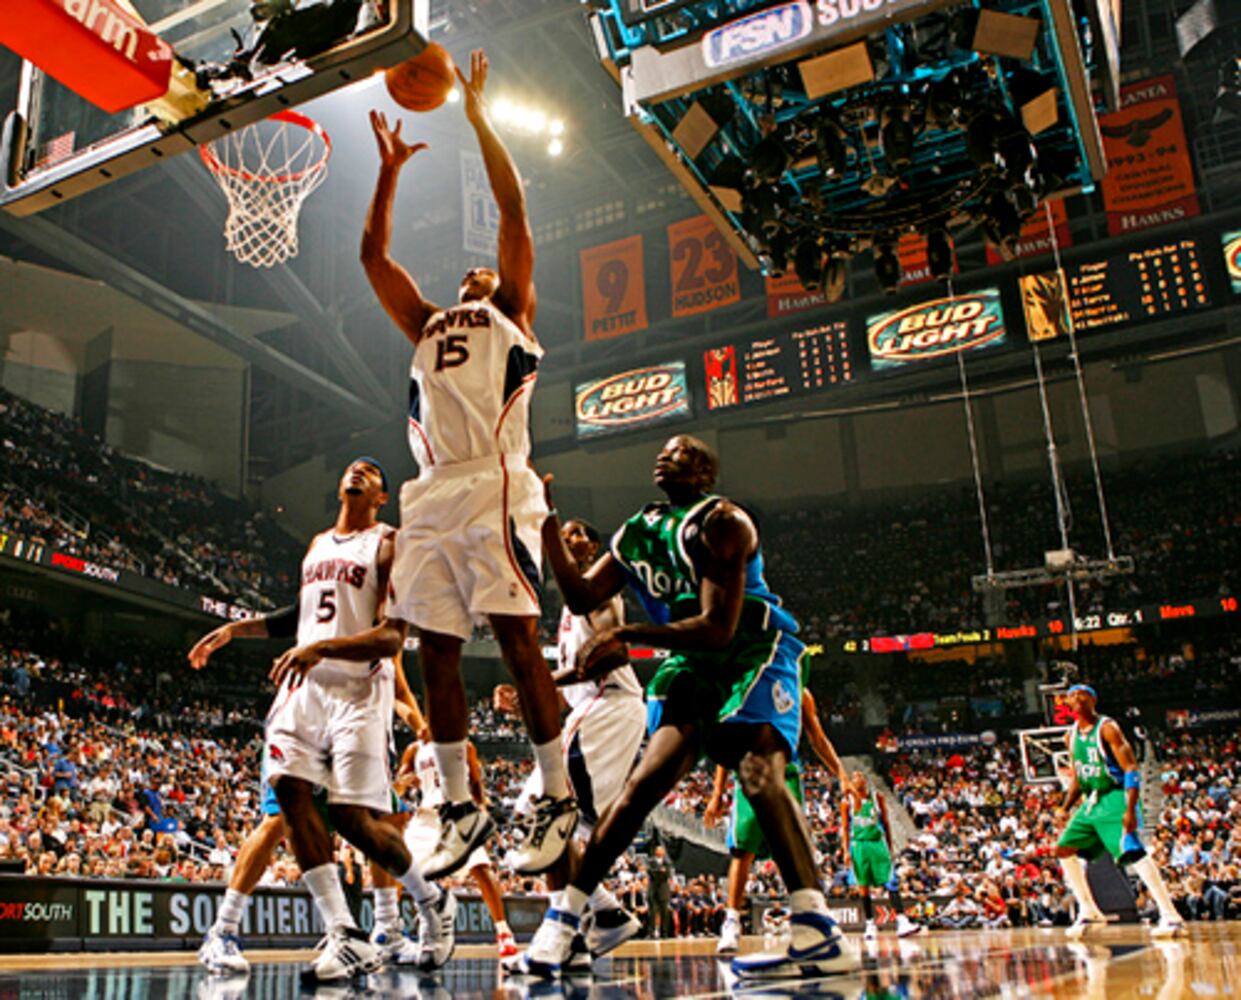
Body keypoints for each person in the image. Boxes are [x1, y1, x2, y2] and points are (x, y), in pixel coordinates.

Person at [509, 435, 860, 980]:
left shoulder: (724, 522)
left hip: (751, 648)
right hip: (689, 659)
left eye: (682, 452)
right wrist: (546, 521)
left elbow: (718, 628)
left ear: (704, 474)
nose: (665, 454)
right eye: (665, 450)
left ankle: (817, 930)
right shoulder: (638, 531)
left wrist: (628, 632)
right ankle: (564, 920)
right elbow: (580, 596)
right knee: (644, 783)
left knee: (758, 772)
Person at [361, 47, 574, 880]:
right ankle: (457, 804)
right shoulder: (425, 323)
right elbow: (374, 260)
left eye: (483, 269)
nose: (475, 270)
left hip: (495, 481)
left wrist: (479, 117)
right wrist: (387, 175)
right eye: (467, 272)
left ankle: (554, 791)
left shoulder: (512, 311)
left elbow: (511, 207)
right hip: (432, 494)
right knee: (434, 650)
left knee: (518, 640)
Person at [247, 458, 456, 982]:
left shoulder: (389, 543)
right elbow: (301, 616)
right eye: (352, 468)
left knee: (351, 818)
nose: (358, 471)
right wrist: (236, 630)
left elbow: (391, 637)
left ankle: (431, 899)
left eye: (371, 471)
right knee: (288, 789)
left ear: (382, 496)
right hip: (305, 686)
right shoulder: (317, 545)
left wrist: (323, 648)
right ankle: (345, 933)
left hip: (359, 689)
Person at [189, 533, 429, 976]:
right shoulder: (332, 603)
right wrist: (235, 629)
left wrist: (420, 727)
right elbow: (290, 616)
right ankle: (223, 930)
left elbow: (399, 685)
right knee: (278, 820)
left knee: (381, 820)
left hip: (354, 721)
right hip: (305, 712)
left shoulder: (381, 622)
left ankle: (387, 929)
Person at [496, 517, 647, 970]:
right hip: (596, 710)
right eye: (563, 537)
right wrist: (526, 699)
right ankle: (586, 929)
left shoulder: (598, 592)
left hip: (610, 704)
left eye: (579, 534)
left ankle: (586, 920)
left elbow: (612, 654)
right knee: (559, 827)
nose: (570, 540)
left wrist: (537, 682)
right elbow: (566, 693)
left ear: (595, 548)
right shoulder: (566, 612)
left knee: (540, 811)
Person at [703, 679, 849, 954]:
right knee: (742, 850)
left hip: (786, 773)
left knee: (791, 847)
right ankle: (731, 920)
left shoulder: (801, 691)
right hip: (749, 768)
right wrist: (717, 792)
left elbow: (818, 737)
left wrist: (840, 772)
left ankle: (811, 915)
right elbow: (727, 743)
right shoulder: (746, 684)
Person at [1053, 683, 1183, 939]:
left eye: (1082, 695)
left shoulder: (1107, 728)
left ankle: (1170, 915)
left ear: (1093, 701)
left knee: (1132, 851)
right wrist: (1064, 807)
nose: (1076, 698)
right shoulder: (1070, 736)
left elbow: (1131, 768)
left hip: (1115, 795)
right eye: (1072, 696)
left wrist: (1131, 809)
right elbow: (1078, 777)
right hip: (1092, 800)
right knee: (1063, 849)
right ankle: (1089, 910)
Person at [397, 729, 517, 957]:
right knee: (402, 866)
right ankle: (393, 930)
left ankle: (503, 931)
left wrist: (481, 808)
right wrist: (404, 782)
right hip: (427, 815)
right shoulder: (414, 749)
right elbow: (399, 786)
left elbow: (476, 781)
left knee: (481, 868)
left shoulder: (464, 745)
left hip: (458, 812)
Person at [841, 771, 925, 941]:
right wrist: (846, 851)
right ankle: (870, 924)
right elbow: (845, 828)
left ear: (865, 780)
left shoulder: (876, 797)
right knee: (863, 885)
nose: (858, 778)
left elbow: (885, 822)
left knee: (890, 880)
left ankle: (902, 920)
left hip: (877, 843)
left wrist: (890, 847)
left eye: (860, 776)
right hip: (859, 844)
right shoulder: (846, 801)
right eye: (854, 776)